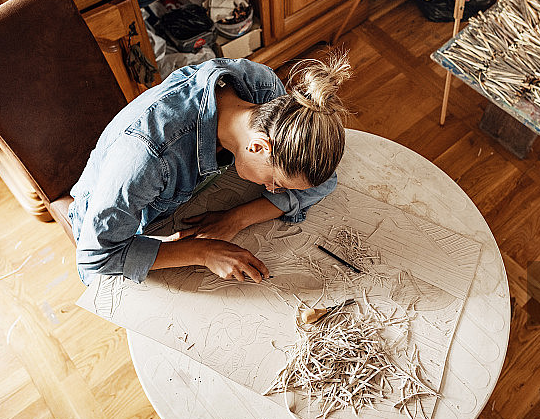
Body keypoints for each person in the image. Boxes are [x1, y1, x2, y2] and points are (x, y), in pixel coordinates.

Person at [68, 53, 352, 286]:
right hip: (122, 221)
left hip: (185, 191)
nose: (273, 190)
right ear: (258, 147)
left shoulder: (264, 93)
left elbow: (321, 182)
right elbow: (95, 258)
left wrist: (237, 219)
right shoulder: (148, 157)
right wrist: (203, 252)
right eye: (275, 181)